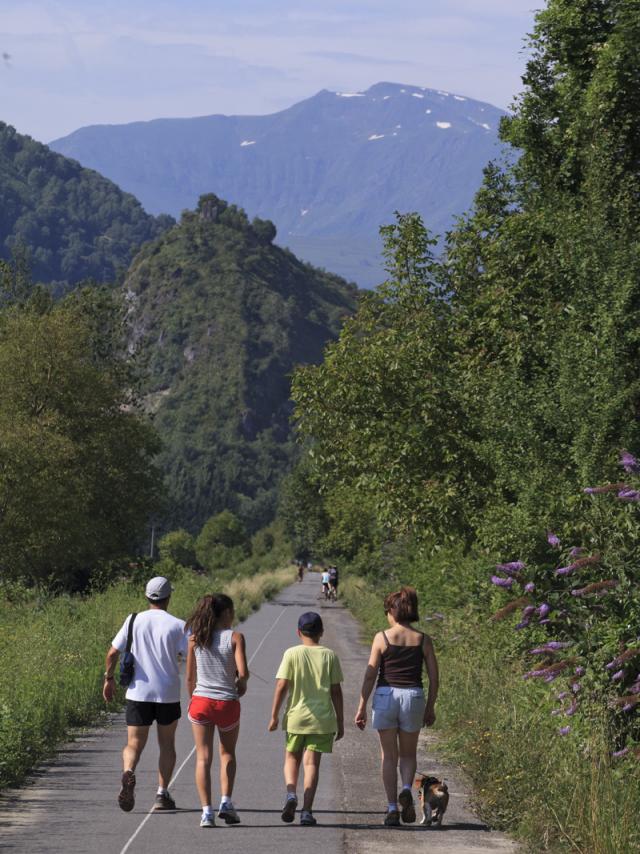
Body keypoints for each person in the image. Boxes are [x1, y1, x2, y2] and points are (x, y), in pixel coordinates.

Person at [354, 587, 439, 827]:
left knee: (388, 756)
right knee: (409, 754)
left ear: (393, 611)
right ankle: (405, 788)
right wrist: (430, 707)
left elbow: (370, 676)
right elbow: (434, 678)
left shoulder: (381, 637)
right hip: (413, 696)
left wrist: (361, 705)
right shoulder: (423, 640)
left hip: (385, 696)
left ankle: (392, 808)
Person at [103, 576, 188, 813]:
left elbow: (112, 654)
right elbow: (190, 655)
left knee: (134, 743)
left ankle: (129, 771)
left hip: (138, 693)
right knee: (167, 744)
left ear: (147, 596)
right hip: (167, 693)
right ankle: (162, 794)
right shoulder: (178, 625)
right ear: (169, 597)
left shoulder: (133, 621)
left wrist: (108, 679)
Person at [268, 612, 344, 826]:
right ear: (321, 632)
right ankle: (307, 811)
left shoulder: (291, 654)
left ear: (298, 632)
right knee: (312, 765)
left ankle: (291, 793)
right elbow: (336, 691)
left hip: (296, 718)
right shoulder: (330, 656)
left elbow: (281, 685)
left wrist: (274, 715)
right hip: (322, 721)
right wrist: (340, 721)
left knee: (292, 758)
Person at [185, 594, 249, 828]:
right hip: (226, 702)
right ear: (227, 613)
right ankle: (226, 802)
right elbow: (242, 673)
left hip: (201, 701)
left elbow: (190, 676)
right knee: (227, 753)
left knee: (203, 757)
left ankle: (206, 813)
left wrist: (193, 698)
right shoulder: (235, 637)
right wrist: (241, 686)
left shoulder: (196, 638)